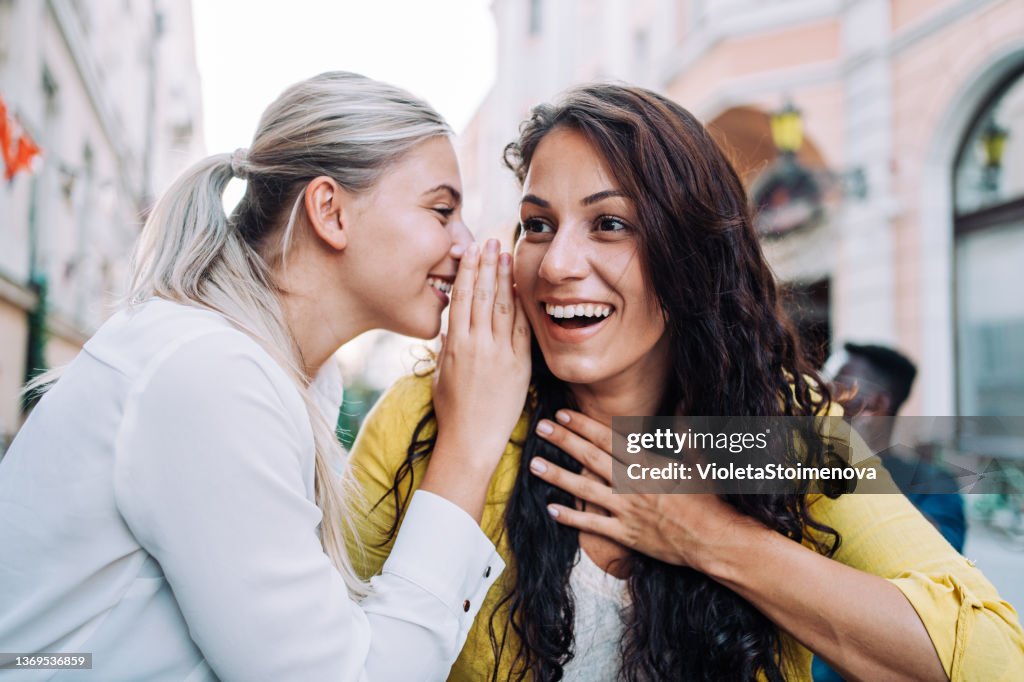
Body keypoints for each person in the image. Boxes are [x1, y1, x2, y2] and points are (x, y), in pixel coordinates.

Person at [346, 83, 1024, 681]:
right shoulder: (434, 406)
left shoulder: (782, 428)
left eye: (610, 224)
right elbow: (330, 648)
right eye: (538, 225)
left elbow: (994, 657)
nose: (556, 264)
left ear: (690, 255)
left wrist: (706, 535)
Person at [0, 72, 532, 680]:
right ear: (330, 211)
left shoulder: (288, 376)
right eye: (442, 211)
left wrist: (641, 499)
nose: (470, 245)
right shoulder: (216, 375)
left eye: (609, 225)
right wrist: (469, 443)